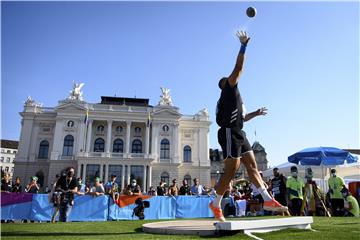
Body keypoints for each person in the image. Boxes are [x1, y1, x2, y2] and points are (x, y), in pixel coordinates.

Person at [209, 30, 288, 222]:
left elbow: (243, 117)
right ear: (225, 84)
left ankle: (268, 200)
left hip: (239, 131)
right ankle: (215, 202)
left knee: (253, 166)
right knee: (231, 169)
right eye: (227, 79)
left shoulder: (236, 100)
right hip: (228, 132)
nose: (231, 78)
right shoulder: (229, 89)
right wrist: (243, 45)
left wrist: (257, 113)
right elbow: (238, 68)